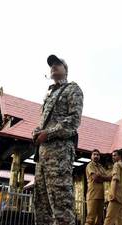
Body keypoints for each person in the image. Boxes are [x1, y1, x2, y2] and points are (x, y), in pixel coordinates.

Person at [33, 54, 84, 225]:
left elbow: (73, 121)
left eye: (58, 64)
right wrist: (38, 130)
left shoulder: (72, 89)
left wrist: (49, 133)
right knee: (41, 205)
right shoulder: (49, 95)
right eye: (51, 65)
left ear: (65, 69)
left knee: (61, 203)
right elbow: (44, 122)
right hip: (42, 154)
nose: (53, 66)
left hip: (59, 154)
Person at [103, 150, 122, 225]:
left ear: (120, 156)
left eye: (115, 155)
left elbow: (115, 179)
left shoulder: (116, 165)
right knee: (119, 219)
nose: (113, 157)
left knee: (109, 218)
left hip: (116, 196)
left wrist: (113, 194)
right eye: (112, 156)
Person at [85, 149, 111, 225]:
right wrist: (103, 178)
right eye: (94, 154)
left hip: (101, 195)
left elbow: (108, 177)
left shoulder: (100, 166)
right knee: (90, 219)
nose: (96, 156)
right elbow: (95, 178)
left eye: (98, 155)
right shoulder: (90, 165)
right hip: (92, 195)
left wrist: (101, 177)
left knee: (99, 219)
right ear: (91, 156)